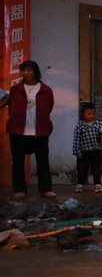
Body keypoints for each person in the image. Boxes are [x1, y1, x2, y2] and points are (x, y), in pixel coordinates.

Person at [1, 60, 56, 199]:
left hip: (39, 130)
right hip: (18, 130)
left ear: (35, 72)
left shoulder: (46, 90)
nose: (25, 73)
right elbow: (8, 102)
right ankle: (19, 189)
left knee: (43, 160)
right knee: (18, 161)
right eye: (23, 70)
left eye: (28, 70)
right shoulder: (16, 89)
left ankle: (45, 188)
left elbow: (49, 107)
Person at [72, 102, 102, 193]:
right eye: (88, 114)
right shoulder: (79, 126)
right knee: (81, 169)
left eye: (93, 114)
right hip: (83, 151)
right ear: (83, 114)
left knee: (96, 168)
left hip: (95, 151)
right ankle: (80, 185)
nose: (91, 116)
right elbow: (76, 139)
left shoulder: (99, 124)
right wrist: (76, 150)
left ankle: (98, 185)